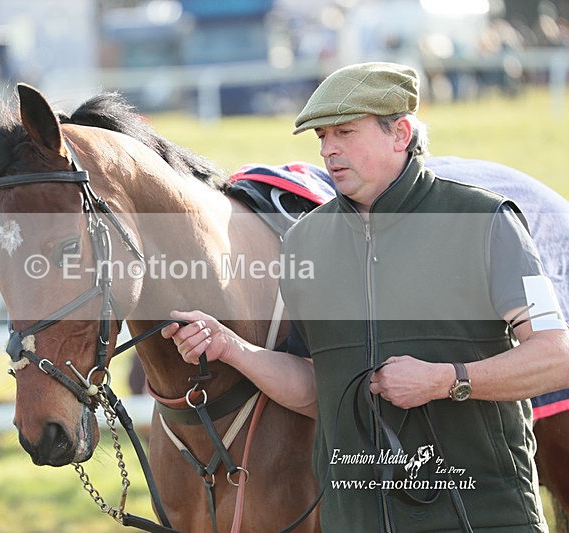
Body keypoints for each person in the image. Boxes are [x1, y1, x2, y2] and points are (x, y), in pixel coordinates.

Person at [161, 62, 569, 532]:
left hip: (481, 516)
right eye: (322, 137)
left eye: (345, 132)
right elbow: (318, 389)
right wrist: (233, 348)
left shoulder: (487, 221)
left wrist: (447, 380)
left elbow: (555, 357)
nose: (329, 149)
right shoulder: (306, 243)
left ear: (400, 133)